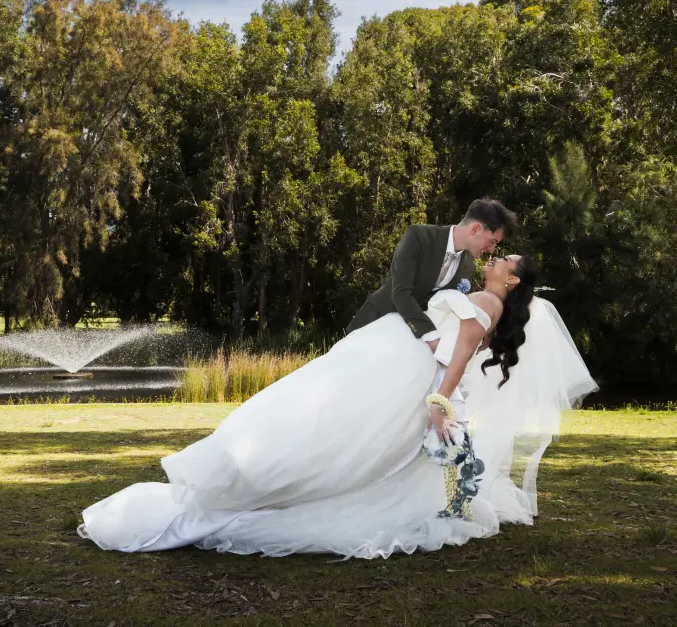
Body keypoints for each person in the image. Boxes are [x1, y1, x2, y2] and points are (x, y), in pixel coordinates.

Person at [79, 255, 597, 559]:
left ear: (511, 281)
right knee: (323, 421)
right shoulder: (483, 298)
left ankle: (255, 480)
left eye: (505, 261)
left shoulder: (487, 303)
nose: (496, 259)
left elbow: (457, 355)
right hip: (389, 358)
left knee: (322, 424)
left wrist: (439, 400)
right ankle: (256, 479)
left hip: (397, 370)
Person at [347, 199, 519, 354]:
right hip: (374, 324)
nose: (491, 250)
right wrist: (431, 336)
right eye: (492, 241)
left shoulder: (469, 267)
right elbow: (400, 292)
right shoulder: (418, 236)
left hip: (405, 346)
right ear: (475, 229)